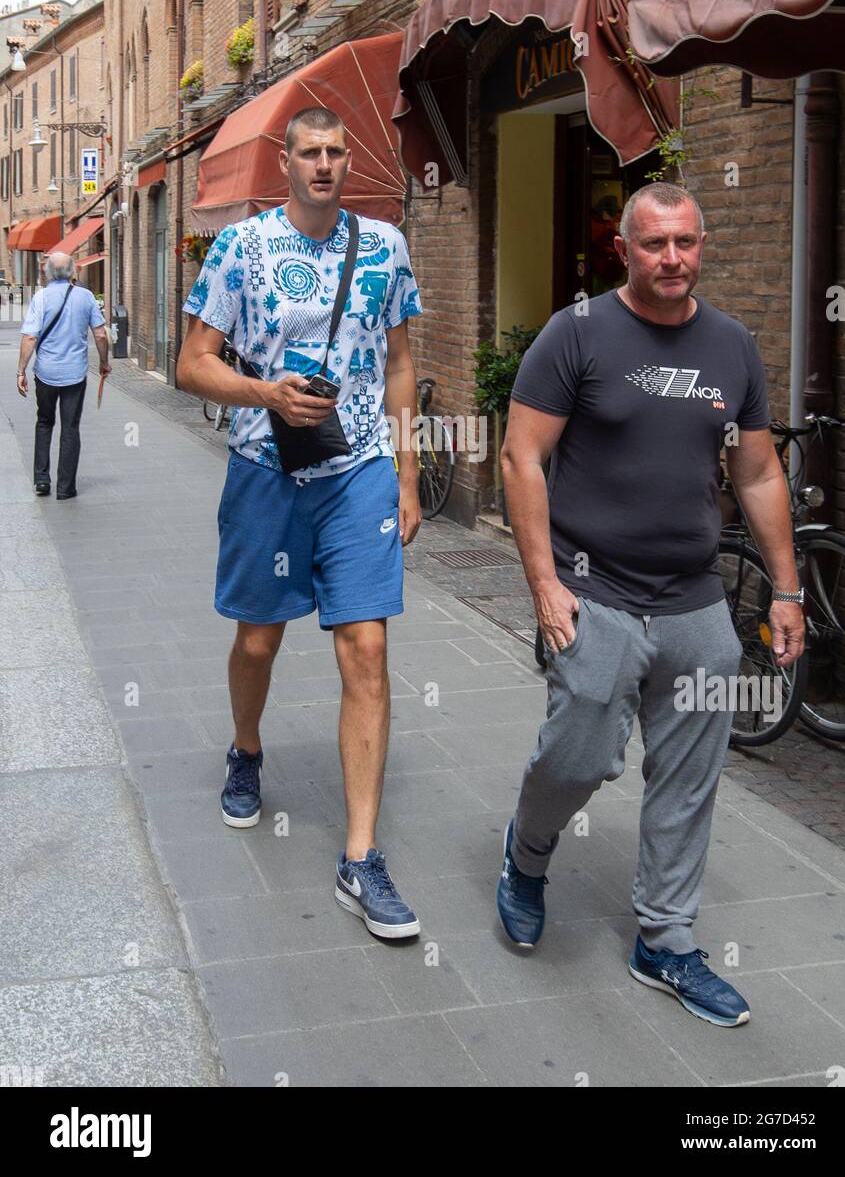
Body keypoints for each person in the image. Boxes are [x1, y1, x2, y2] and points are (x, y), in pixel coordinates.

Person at [497, 182, 805, 1027]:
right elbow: (523, 458)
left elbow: (758, 472)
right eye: (654, 244)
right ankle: (527, 854)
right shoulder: (578, 333)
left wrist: (785, 586)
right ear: (623, 249)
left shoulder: (733, 346)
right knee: (578, 757)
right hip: (592, 592)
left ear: (702, 246)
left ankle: (665, 940)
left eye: (686, 243)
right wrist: (543, 585)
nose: (673, 259)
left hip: (695, 603)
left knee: (691, 776)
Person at [176, 106, 424, 941]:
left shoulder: (385, 244)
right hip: (265, 470)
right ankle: (247, 748)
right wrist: (267, 393)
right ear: (283, 163)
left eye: (335, 152)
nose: (324, 164)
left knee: (367, 646)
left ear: (347, 161)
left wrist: (408, 472)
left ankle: (361, 856)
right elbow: (191, 365)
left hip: (359, 475)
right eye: (309, 152)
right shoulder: (241, 249)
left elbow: (400, 364)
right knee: (258, 640)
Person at [17, 250, 111, 498]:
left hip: (45, 371)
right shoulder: (86, 297)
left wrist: (21, 371)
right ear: (73, 271)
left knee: (45, 422)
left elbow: (30, 336)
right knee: (70, 427)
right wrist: (104, 362)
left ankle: (41, 480)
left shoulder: (41, 298)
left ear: (48, 273)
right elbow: (100, 334)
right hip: (75, 373)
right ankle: (65, 487)